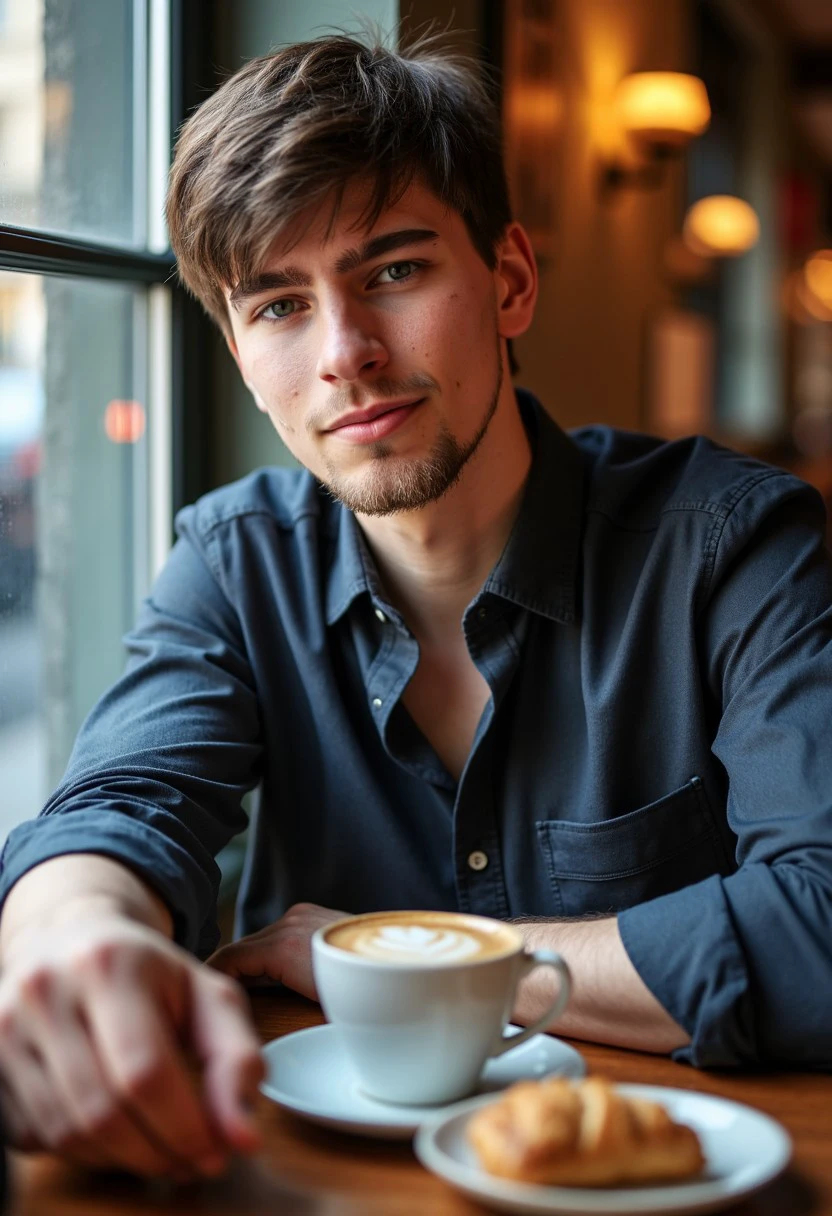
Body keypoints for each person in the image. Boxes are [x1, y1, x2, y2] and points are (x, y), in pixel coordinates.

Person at [1, 31, 831, 1180]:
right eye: (281, 305)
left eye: (393, 270)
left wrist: (376, 953)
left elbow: (821, 928)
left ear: (509, 280)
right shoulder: (235, 560)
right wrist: (67, 936)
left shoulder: (735, 543)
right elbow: (121, 805)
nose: (344, 353)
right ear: (239, 351)